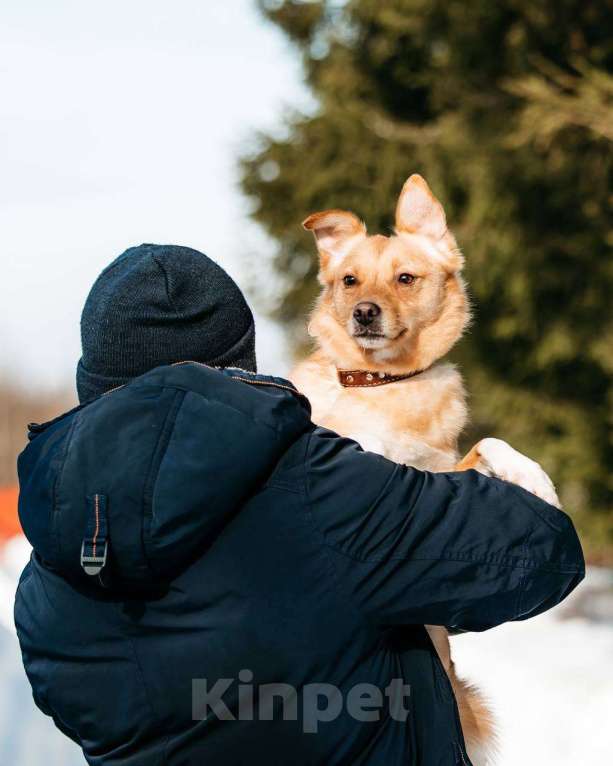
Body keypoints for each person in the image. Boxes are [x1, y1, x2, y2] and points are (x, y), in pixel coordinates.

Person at [14, 244, 584, 766]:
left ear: (94, 382)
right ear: (240, 366)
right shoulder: (325, 489)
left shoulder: (48, 577)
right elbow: (540, 551)